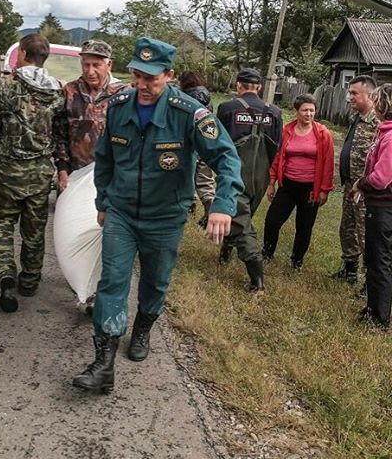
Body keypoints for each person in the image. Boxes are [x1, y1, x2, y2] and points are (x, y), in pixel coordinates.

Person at [72, 37, 243, 393]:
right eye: (137, 75)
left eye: (152, 77)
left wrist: (223, 207)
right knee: (112, 283)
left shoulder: (189, 113)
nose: (143, 85)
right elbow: (104, 160)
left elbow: (227, 158)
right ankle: (103, 363)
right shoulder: (119, 106)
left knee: (155, 281)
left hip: (165, 218)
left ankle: (144, 328)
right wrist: (103, 201)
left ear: (170, 75)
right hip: (121, 213)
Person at [0, 33, 65, 312]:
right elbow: (60, 131)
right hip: (40, 172)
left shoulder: (6, 85)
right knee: (34, 230)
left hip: (8, 170)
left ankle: (5, 275)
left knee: (1, 223)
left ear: (24, 54)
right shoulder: (57, 91)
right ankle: (29, 281)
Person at [216, 68, 283, 294]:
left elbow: (215, 142)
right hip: (261, 175)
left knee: (242, 225)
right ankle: (226, 252)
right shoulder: (274, 112)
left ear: (238, 86)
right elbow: (277, 145)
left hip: (235, 172)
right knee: (241, 215)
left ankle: (257, 282)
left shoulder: (227, 109)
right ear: (260, 87)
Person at [262, 94, 334, 269]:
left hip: (310, 188)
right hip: (287, 185)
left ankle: (296, 261)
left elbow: (328, 163)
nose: (309, 114)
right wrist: (271, 183)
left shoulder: (323, 133)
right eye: (305, 110)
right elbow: (278, 157)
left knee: (304, 226)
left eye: (312, 110)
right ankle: (267, 253)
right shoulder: (287, 131)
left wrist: (324, 189)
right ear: (296, 112)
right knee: (272, 220)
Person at [55, 39, 125, 189]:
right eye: (86, 65)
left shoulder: (124, 94)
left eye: (96, 65)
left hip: (112, 177)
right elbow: (60, 133)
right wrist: (62, 169)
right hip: (75, 175)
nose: (90, 71)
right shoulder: (70, 91)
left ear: (109, 65)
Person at [331, 75, 378, 288]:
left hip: (366, 189)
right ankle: (349, 270)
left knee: (365, 234)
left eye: (354, 93)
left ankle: (370, 282)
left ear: (369, 95)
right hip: (351, 184)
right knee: (347, 229)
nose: (349, 97)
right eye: (349, 92)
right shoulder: (356, 117)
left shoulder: (378, 121)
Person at [353, 83, 392, 330]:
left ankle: (378, 317)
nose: (374, 105)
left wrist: (360, 183)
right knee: (380, 258)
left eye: (377, 100)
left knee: (380, 260)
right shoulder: (384, 132)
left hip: (384, 206)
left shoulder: (390, 137)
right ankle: (375, 307)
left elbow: (381, 178)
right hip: (380, 205)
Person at [178, 71, 216, 218]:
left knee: (188, 176)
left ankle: (190, 208)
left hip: (188, 142)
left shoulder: (184, 97)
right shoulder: (206, 95)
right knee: (205, 178)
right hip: (204, 141)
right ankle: (210, 206)